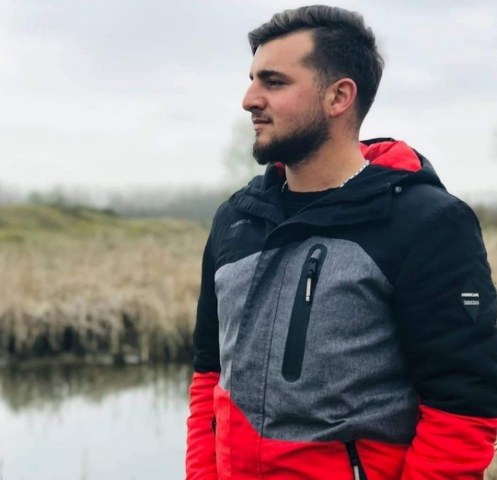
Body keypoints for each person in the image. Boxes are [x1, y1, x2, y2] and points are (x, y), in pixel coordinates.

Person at [186, 5, 497, 480]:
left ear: (339, 97)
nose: (249, 100)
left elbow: (462, 409)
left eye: (273, 82)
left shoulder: (427, 224)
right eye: (252, 80)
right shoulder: (236, 220)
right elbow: (209, 376)